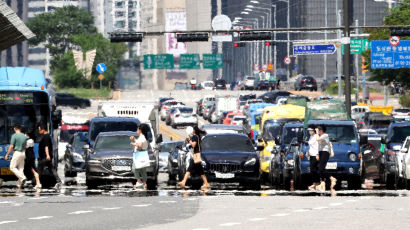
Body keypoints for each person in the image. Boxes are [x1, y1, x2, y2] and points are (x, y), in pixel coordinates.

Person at [177, 126, 210, 190]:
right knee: (193, 170)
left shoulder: (195, 136)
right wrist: (188, 139)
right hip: (195, 155)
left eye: (193, 130)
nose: (192, 131)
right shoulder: (197, 136)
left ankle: (206, 183)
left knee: (198, 171)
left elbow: (193, 145)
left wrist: (189, 140)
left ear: (194, 130)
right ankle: (184, 182)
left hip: (196, 156)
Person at [37, 123, 62, 190]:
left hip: (44, 157)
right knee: (51, 169)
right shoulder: (47, 136)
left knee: (39, 170)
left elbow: (46, 147)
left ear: (43, 130)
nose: (38, 132)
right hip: (46, 157)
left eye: (39, 130)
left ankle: (37, 183)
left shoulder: (46, 137)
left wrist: (47, 155)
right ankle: (58, 181)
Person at [5, 124, 27, 189]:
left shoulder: (14, 136)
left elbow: (11, 146)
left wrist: (7, 154)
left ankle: (23, 177)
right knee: (21, 168)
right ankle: (19, 185)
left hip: (17, 152)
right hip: (23, 152)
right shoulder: (24, 136)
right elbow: (25, 146)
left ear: (15, 128)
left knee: (12, 167)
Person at [315, 126, 337, 191]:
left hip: (325, 152)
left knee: (321, 168)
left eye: (318, 130)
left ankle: (331, 178)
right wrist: (317, 154)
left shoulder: (325, 135)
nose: (318, 131)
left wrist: (316, 133)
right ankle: (323, 183)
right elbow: (318, 146)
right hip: (321, 152)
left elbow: (317, 139)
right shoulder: (320, 136)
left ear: (321, 130)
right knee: (320, 169)